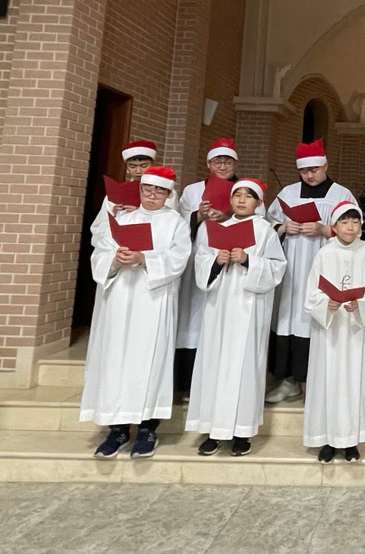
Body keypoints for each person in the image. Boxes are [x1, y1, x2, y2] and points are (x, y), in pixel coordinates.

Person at [80, 166, 191, 459]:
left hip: (154, 300)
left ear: (168, 194)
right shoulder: (122, 219)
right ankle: (116, 430)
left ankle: (147, 428)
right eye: (147, 190)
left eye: (159, 191)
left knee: (149, 362)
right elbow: (101, 251)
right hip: (120, 299)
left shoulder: (175, 223)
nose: (152, 196)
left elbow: (179, 258)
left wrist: (144, 258)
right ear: (140, 190)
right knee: (116, 359)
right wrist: (115, 259)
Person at [186, 179, 287, 456]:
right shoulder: (216, 229)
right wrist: (216, 261)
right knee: (215, 365)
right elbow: (201, 263)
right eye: (237, 195)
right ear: (231, 200)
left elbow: (277, 268)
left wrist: (247, 260)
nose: (242, 200)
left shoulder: (265, 231)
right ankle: (213, 429)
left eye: (249, 196)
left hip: (249, 309)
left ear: (259, 202)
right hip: (218, 309)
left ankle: (242, 432)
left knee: (245, 367)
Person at [265, 140, 355, 403]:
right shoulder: (288, 193)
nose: (310, 175)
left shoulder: (341, 195)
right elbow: (267, 226)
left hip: (324, 268)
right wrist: (283, 228)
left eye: (314, 169)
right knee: (289, 318)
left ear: (325, 165)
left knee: (318, 318)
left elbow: (354, 232)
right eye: (304, 171)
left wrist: (325, 230)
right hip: (292, 269)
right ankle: (289, 381)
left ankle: (319, 382)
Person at [302, 202, 365, 463]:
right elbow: (311, 291)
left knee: (353, 381)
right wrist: (324, 303)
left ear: (361, 225)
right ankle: (327, 440)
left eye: (355, 222)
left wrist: (361, 304)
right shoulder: (324, 254)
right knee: (327, 381)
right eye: (344, 222)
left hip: (355, 330)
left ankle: (351, 441)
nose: (350, 227)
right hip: (329, 330)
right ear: (334, 226)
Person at [174, 137, 240, 397]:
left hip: (229, 258)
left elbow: (259, 221)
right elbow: (178, 224)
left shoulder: (244, 189)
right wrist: (198, 215)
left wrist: (230, 215)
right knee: (191, 314)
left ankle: (216, 381)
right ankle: (186, 380)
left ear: (235, 164)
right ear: (208, 163)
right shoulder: (193, 191)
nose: (223, 166)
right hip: (197, 258)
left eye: (228, 162)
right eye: (217, 161)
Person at [89, 139, 176, 244]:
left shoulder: (165, 192)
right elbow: (100, 225)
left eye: (144, 166)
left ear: (152, 165)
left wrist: (140, 212)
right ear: (127, 168)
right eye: (132, 166)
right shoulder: (117, 192)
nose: (138, 171)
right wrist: (114, 215)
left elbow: (169, 222)